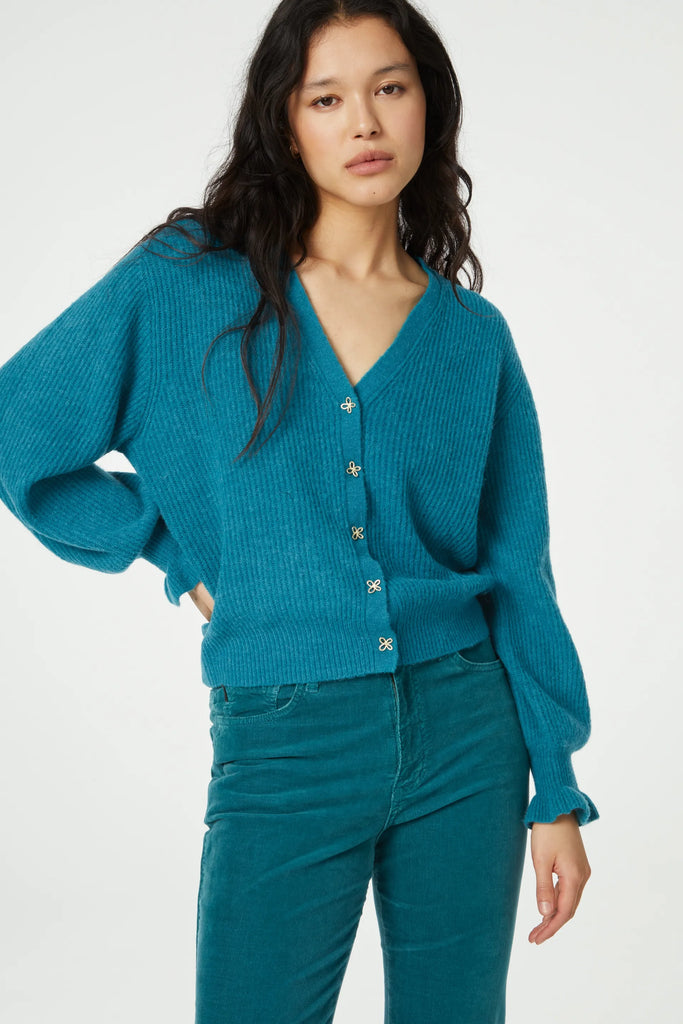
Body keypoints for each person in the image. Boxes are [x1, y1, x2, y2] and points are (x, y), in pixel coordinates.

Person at [0, 1, 599, 1021]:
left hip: (468, 734)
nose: (363, 122)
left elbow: (517, 568)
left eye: (389, 88)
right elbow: (22, 433)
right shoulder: (188, 282)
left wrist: (554, 787)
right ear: (284, 121)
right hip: (285, 739)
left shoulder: (471, 337)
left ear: (426, 106)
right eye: (326, 98)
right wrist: (173, 551)